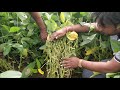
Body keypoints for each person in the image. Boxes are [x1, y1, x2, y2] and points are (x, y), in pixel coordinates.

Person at [50, 12, 120, 78]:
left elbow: (111, 67)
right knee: (88, 73)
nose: (100, 28)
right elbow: (93, 26)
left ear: (118, 25)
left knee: (92, 74)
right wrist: (67, 29)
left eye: (103, 26)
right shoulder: (113, 25)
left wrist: (79, 62)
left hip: (114, 66)